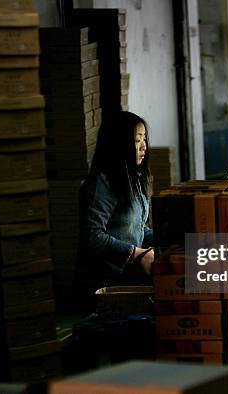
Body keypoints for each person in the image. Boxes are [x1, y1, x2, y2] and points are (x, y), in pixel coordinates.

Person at [75, 111, 155, 306]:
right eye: (137, 140)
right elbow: (92, 236)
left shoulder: (133, 179)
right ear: (120, 144)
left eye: (144, 139)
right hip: (106, 284)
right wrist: (138, 254)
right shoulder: (102, 184)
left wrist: (170, 240)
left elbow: (136, 228)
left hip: (129, 274)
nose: (144, 146)